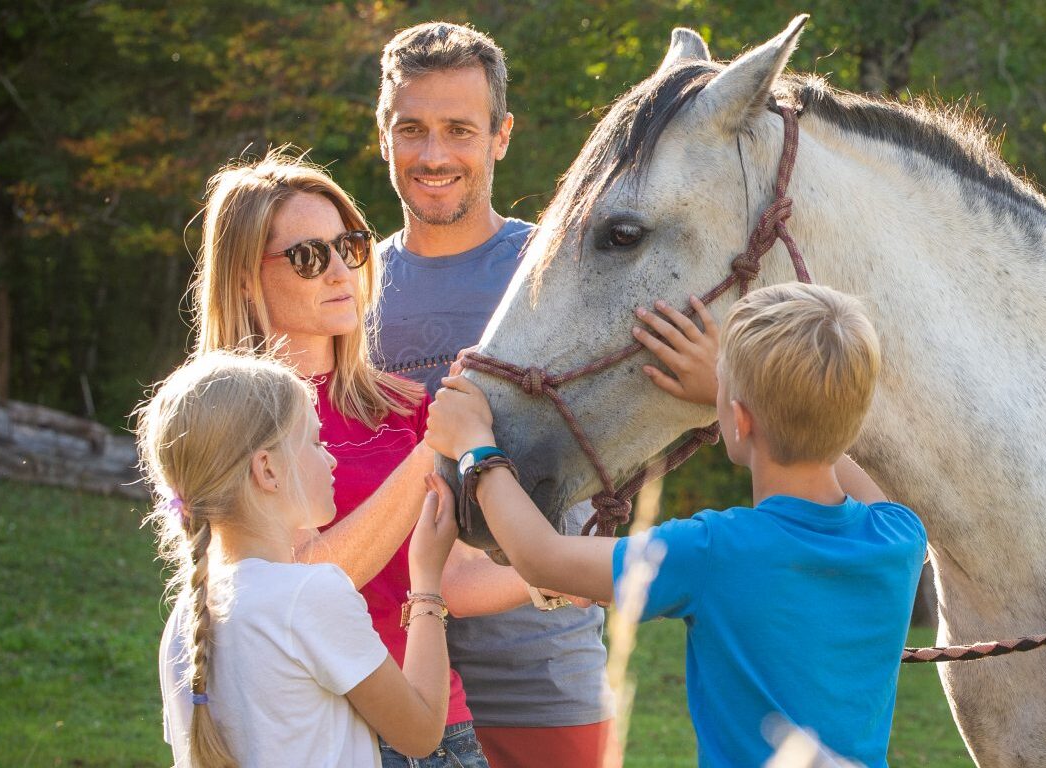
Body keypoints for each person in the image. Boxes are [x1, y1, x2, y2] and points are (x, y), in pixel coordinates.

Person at [427, 284, 928, 767]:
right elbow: (830, 449)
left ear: (740, 419)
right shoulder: (899, 537)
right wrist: (739, 395)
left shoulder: (712, 553)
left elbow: (542, 559)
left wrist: (476, 444)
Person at [190, 150, 490, 765]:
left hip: (433, 723)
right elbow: (294, 583)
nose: (338, 271)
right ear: (245, 277)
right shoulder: (217, 422)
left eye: (349, 246)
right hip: (310, 734)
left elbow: (448, 576)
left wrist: (577, 573)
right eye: (307, 256)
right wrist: (435, 446)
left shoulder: (402, 406)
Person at [368, 21, 610, 766]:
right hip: (384, 667)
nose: (434, 155)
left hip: (541, 672)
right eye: (412, 129)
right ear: (383, 135)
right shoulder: (348, 291)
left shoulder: (557, 276)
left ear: (501, 135)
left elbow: (619, 447)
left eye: (459, 130)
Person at [140, 350, 459, 767]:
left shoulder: (186, 618)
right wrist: (427, 583)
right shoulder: (310, 594)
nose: (330, 458)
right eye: (314, 441)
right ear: (267, 469)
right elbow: (420, 733)